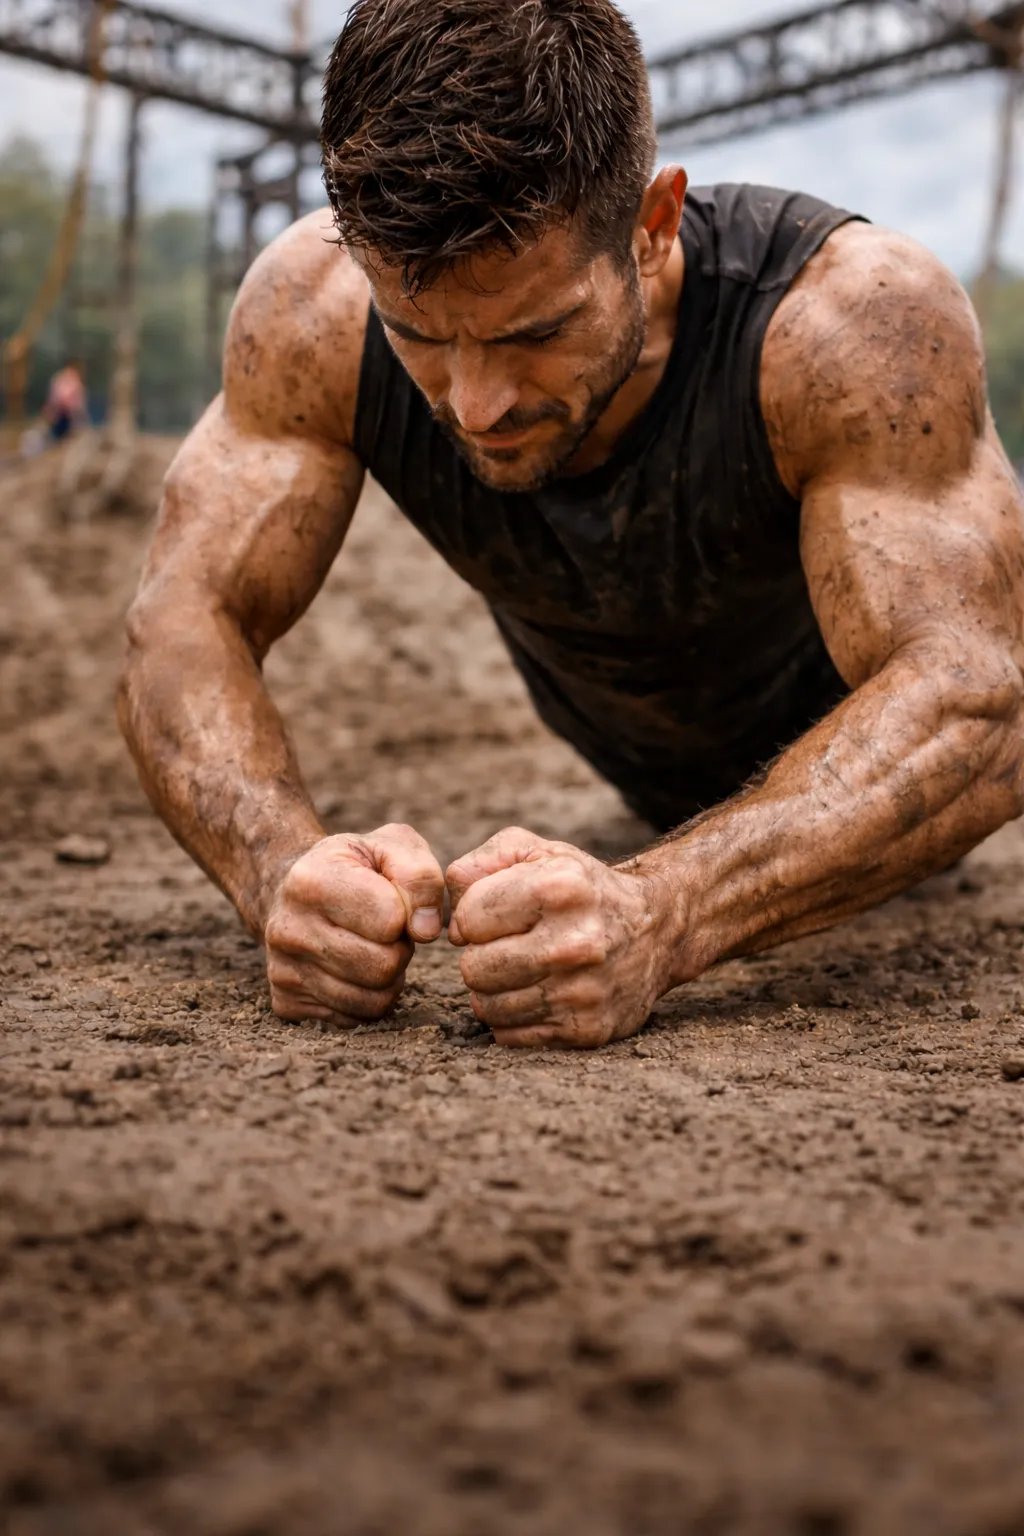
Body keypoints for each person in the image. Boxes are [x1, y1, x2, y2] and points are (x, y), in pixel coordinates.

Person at [119, 0, 1024, 1050]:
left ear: (651, 228)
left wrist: (667, 908)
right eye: (418, 335)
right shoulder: (313, 311)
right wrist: (278, 868)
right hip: (636, 777)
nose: (474, 404)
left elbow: (977, 706)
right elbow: (182, 617)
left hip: (879, 807)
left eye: (535, 333)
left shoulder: (846, 324)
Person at [41, 359, 88, 443]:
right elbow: (54, 398)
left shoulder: (76, 383)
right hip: (60, 415)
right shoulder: (61, 380)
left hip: (68, 416)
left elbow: (79, 404)